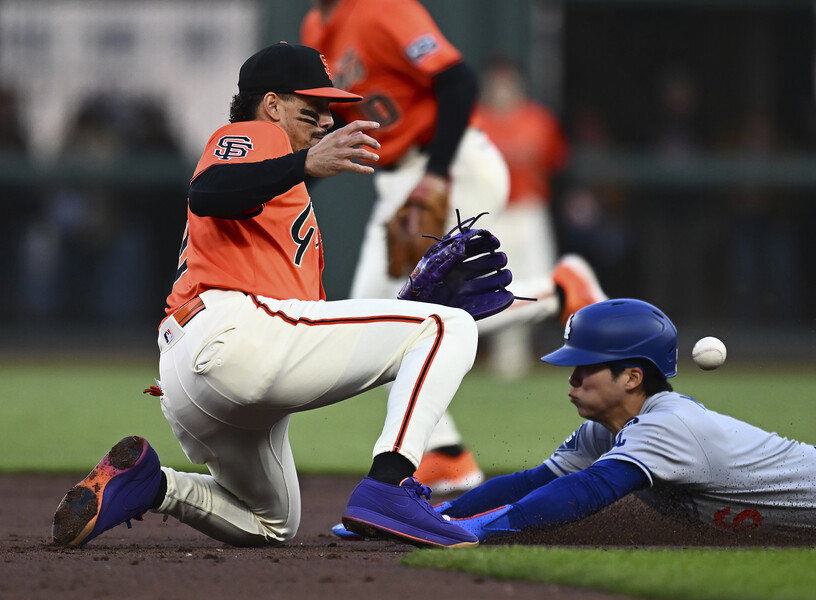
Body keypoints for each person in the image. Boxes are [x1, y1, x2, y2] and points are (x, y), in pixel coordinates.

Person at [51, 42, 482, 550]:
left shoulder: (282, 183)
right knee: (448, 325)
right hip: (232, 335)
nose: (328, 120)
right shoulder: (256, 134)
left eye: (330, 107)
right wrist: (304, 163)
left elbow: (306, 319)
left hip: (196, 379)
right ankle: (390, 484)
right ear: (272, 104)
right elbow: (209, 191)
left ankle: (152, 485)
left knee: (273, 522)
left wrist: (398, 319)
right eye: (313, 106)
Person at [301, 0, 605, 494]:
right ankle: (444, 453)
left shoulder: (382, 8)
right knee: (374, 330)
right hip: (398, 179)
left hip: (451, 163)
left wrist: (438, 175)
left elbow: (457, 80)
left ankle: (558, 293)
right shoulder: (317, 26)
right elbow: (332, 125)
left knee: (394, 325)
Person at [336, 298, 816, 541]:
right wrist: (432, 517)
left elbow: (588, 491)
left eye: (585, 367)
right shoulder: (604, 431)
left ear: (632, 377)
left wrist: (478, 531)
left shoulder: (666, 426)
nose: (572, 378)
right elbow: (531, 483)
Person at [471, 54, 569, 379]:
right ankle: (503, 356)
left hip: (529, 211)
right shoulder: (474, 121)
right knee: (493, 285)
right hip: (491, 213)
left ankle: (515, 351)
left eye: (507, 83)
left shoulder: (539, 120)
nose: (502, 90)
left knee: (540, 285)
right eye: (496, 84)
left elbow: (556, 164)